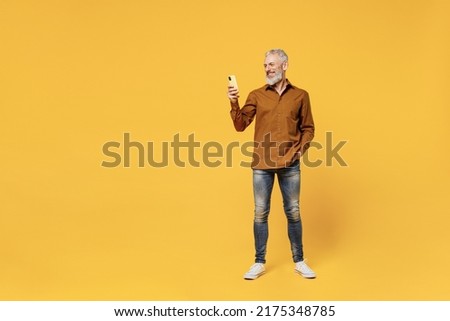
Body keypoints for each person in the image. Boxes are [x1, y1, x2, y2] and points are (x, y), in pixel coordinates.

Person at [227, 49, 316, 280]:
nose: (268, 68)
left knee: (293, 212)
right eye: (265, 65)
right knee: (260, 213)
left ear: (285, 65)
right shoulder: (257, 95)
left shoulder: (300, 96)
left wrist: (298, 152)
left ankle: (299, 261)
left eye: (272, 64)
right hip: (262, 164)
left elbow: (308, 129)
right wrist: (234, 102)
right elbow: (240, 125)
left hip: (290, 164)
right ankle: (259, 262)